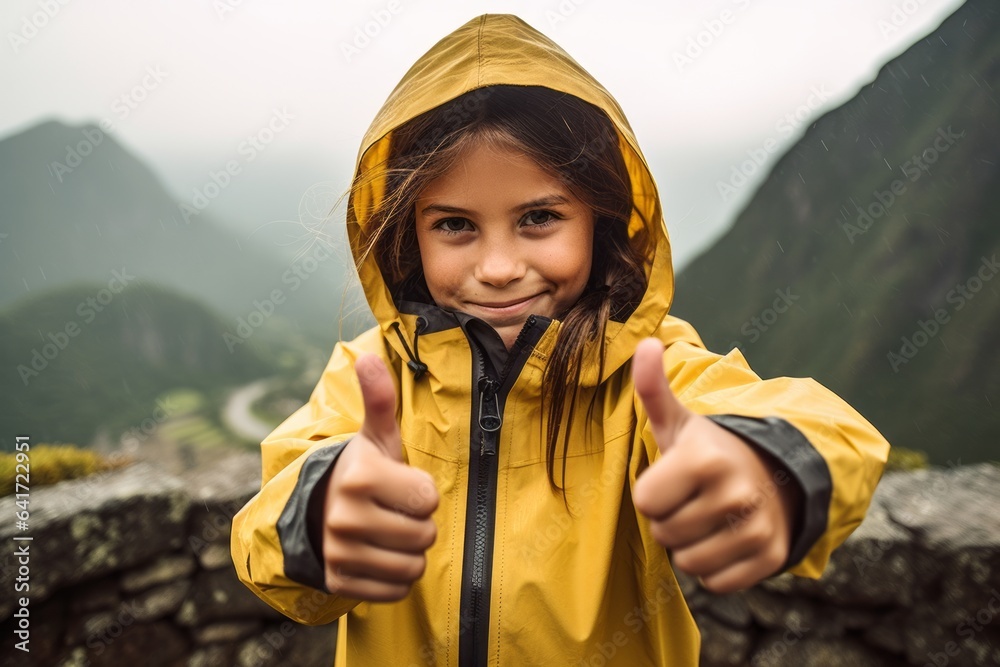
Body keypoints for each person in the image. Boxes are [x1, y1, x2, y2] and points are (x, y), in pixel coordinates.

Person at [231, 13, 890, 666]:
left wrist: (768, 470)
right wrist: (319, 517)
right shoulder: (369, 374)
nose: (497, 266)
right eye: (455, 225)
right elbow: (264, 531)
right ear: (410, 235)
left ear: (600, 219)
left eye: (539, 218)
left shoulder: (646, 373)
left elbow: (831, 432)